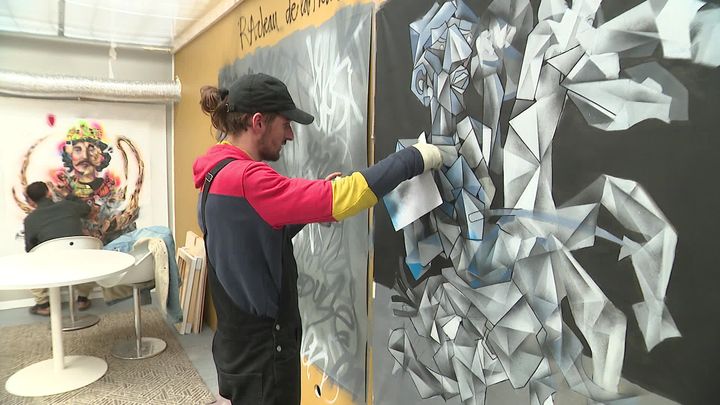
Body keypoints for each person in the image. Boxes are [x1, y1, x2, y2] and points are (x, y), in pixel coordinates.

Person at [193, 72, 442, 405]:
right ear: (257, 122)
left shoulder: (216, 173)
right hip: (265, 357)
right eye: (285, 124)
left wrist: (304, 214)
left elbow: (249, 237)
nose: (291, 135)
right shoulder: (248, 180)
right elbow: (346, 196)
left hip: (237, 348)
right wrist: (414, 158)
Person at [23, 181, 94, 315]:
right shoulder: (67, 205)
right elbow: (86, 209)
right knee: (87, 259)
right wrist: (68, 195)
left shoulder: (30, 220)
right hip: (79, 260)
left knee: (30, 263)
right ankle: (82, 299)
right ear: (49, 193)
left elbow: (29, 248)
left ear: (31, 200)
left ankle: (43, 304)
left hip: (52, 264)